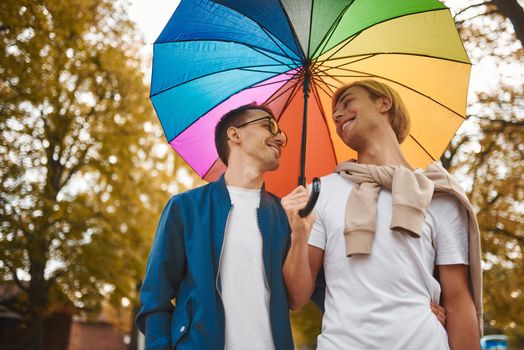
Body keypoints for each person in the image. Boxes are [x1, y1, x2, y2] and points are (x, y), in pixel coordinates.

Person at [282, 80, 483, 349]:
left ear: (383, 103)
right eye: (334, 115)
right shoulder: (321, 192)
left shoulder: (436, 194)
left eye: (348, 102)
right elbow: (297, 297)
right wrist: (298, 234)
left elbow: (458, 300)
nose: (338, 115)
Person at [136, 104, 293, 350]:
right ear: (235, 134)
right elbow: (155, 298)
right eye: (268, 125)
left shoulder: (286, 215)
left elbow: (301, 294)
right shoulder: (185, 208)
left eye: (280, 132)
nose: (279, 137)